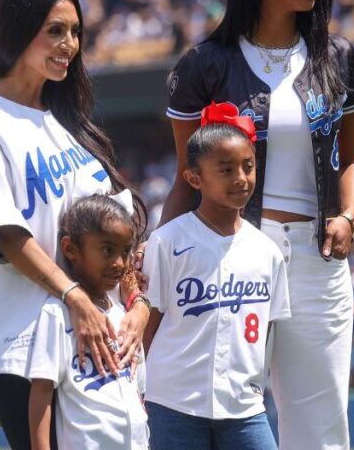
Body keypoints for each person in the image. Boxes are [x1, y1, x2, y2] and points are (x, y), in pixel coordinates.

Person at [158, 0, 354, 449]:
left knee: (320, 421)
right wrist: (155, 260)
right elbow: (187, 177)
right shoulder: (205, 63)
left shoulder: (338, 56)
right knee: (226, 410)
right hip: (229, 257)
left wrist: (347, 217)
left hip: (317, 258)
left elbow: (350, 161)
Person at [0, 0, 149, 449]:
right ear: (17, 30)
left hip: (96, 337)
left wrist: (137, 307)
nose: (68, 45)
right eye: (55, 30)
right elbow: (5, 233)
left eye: (75, 33)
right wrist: (73, 296)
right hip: (25, 341)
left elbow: (120, 231)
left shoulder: (70, 126)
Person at [143, 103, 289, 449]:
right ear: (194, 178)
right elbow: (146, 326)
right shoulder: (166, 241)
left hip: (243, 407)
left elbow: (265, 333)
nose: (241, 178)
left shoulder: (267, 251)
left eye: (248, 166)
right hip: (172, 404)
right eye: (225, 169)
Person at [27, 193, 148, 450]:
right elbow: (41, 392)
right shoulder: (57, 314)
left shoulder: (124, 319)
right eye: (107, 250)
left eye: (125, 251)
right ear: (71, 249)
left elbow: (139, 392)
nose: (118, 263)